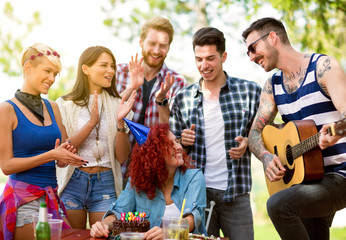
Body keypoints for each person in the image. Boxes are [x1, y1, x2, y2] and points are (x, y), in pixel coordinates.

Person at [242, 17, 346, 240]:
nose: (250, 57)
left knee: (279, 205)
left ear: (273, 38)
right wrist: (267, 157)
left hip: (343, 174)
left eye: (252, 48)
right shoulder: (272, 85)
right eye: (247, 52)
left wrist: (336, 132)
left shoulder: (324, 67)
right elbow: (255, 133)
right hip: (306, 177)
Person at [169, 27, 261, 240]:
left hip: (236, 193)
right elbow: (172, 150)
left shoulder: (250, 92)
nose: (204, 65)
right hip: (196, 196)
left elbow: (267, 133)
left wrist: (249, 141)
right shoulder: (183, 99)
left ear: (223, 56)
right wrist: (183, 142)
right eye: (199, 59)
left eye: (210, 58)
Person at [0, 43, 86, 240]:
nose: (52, 79)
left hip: (51, 198)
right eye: (47, 71)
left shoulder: (53, 107)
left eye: (55, 73)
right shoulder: (6, 110)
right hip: (23, 200)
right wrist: (52, 154)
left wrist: (65, 155)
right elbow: (6, 166)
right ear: (28, 69)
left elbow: (61, 156)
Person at [55, 46, 135, 229]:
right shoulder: (64, 104)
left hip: (105, 182)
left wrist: (120, 124)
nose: (111, 71)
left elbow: (122, 158)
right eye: (104, 65)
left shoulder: (118, 104)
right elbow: (64, 151)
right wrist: (92, 122)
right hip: (73, 180)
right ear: (85, 69)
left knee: (103, 234)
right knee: (74, 236)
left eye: (112, 66)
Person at [90, 123, 207, 239]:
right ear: (154, 155)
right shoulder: (137, 181)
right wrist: (103, 225)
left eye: (176, 141)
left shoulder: (194, 177)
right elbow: (119, 212)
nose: (179, 147)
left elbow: (192, 219)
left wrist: (167, 232)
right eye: (170, 145)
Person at [116, 16, 186, 126]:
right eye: (152, 44)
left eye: (163, 46)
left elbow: (174, 129)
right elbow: (107, 117)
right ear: (141, 42)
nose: (156, 51)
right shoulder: (119, 72)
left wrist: (162, 101)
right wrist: (131, 88)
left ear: (169, 47)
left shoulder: (177, 82)